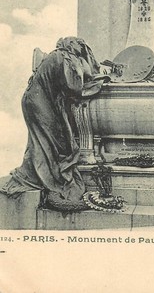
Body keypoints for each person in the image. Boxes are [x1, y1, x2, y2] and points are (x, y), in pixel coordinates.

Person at [1, 37, 107, 202]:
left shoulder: (59, 56)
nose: (83, 49)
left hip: (35, 100)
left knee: (43, 139)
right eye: (80, 45)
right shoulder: (64, 57)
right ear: (71, 44)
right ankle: (44, 176)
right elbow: (74, 86)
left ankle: (36, 172)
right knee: (48, 139)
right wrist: (98, 81)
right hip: (38, 102)